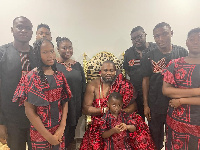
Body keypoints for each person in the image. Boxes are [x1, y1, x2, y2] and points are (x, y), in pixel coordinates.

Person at [80, 60, 155, 150]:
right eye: (105, 70)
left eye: (111, 70)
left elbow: (133, 106)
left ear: (115, 72)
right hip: (102, 120)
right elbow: (85, 109)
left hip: (122, 118)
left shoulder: (123, 84)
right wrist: (104, 111)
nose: (108, 73)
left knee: (140, 131)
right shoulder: (93, 85)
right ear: (100, 72)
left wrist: (120, 113)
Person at [12, 38, 72, 149]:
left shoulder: (59, 76)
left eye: (52, 51)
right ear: (37, 54)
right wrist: (48, 136)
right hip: (40, 133)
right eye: (45, 52)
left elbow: (65, 101)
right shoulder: (31, 78)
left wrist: (62, 126)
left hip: (58, 131)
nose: (50, 55)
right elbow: (29, 111)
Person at [141, 22, 188, 150]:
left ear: (171, 33)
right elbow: (145, 80)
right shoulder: (148, 56)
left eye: (164, 34)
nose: (160, 39)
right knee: (155, 139)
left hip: (176, 104)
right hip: (155, 104)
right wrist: (145, 105)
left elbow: (187, 80)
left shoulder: (182, 52)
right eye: (156, 36)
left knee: (176, 139)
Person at [0, 16, 35, 150]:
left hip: (35, 117)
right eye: (20, 27)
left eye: (28, 28)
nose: (24, 30)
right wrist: (1, 122)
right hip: (11, 118)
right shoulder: (2, 53)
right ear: (12, 30)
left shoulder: (36, 55)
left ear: (32, 32)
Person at [162, 27, 200, 149]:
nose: (195, 42)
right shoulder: (174, 64)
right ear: (186, 42)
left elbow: (173, 92)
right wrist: (197, 91)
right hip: (175, 121)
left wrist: (181, 100)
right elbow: (166, 90)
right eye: (192, 39)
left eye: (199, 38)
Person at [56, 37, 86, 149]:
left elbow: (83, 85)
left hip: (75, 103)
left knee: (72, 129)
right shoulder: (54, 65)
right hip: (60, 105)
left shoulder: (77, 65)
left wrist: (83, 103)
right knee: (61, 131)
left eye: (70, 47)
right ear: (58, 49)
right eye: (64, 48)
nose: (68, 50)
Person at [123, 26, 157, 120]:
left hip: (154, 92)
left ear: (145, 35)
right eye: (133, 39)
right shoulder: (128, 53)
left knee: (154, 122)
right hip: (136, 93)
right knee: (138, 121)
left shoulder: (155, 49)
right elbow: (127, 70)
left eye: (139, 36)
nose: (137, 40)